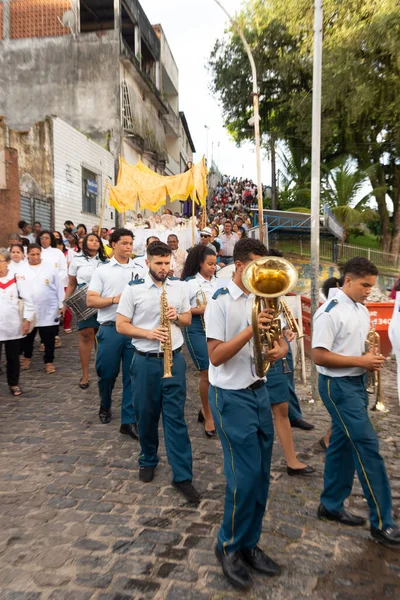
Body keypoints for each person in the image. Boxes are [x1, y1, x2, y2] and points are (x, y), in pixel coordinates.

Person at [205, 238, 282, 590]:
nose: (262, 273)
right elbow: (216, 356)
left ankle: (250, 544)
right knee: (243, 478)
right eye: (256, 266)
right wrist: (252, 328)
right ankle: (228, 546)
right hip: (231, 397)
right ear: (238, 265)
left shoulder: (263, 298)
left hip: (258, 391)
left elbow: (279, 342)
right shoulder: (219, 301)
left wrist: (279, 346)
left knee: (262, 475)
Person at [312, 257, 400, 548]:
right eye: (365, 285)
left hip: (356, 383)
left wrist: (370, 360)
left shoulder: (361, 309)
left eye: (372, 286)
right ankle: (382, 523)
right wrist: (360, 361)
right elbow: (319, 356)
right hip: (337, 386)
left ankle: (331, 504)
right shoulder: (329, 312)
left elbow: (356, 347)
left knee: (342, 443)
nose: (369, 291)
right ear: (347, 281)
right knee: (367, 448)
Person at [116, 242, 200, 503]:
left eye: (167, 263)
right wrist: (148, 333)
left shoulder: (180, 287)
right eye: (159, 263)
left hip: (173, 360)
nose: (164, 268)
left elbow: (187, 319)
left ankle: (183, 475)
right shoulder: (134, 290)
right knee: (146, 414)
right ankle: (148, 458)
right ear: (148, 263)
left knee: (176, 418)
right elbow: (121, 325)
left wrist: (177, 316)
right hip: (144, 361)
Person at [87, 228, 144, 437]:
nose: (128, 247)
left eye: (130, 243)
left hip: (132, 329)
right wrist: (113, 299)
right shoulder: (102, 270)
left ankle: (128, 420)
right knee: (107, 373)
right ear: (113, 244)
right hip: (110, 328)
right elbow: (90, 300)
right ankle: (105, 403)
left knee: (132, 375)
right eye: (124, 243)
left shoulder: (140, 269)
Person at [181, 245, 219, 437]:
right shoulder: (188, 283)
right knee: (207, 371)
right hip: (196, 328)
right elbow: (181, 309)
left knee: (217, 369)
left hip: (217, 328)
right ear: (200, 263)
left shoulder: (219, 283)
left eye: (215, 264)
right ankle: (208, 414)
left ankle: (208, 409)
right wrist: (202, 309)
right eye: (210, 264)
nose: (214, 267)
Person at [65, 233, 108, 388]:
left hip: (102, 299)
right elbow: (71, 283)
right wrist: (65, 303)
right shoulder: (77, 260)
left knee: (101, 336)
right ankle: (84, 374)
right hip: (83, 300)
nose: (94, 242)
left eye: (97, 240)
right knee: (86, 335)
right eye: (91, 240)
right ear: (84, 243)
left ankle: (102, 371)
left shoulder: (107, 261)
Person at [19, 244, 64, 374]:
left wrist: (61, 304)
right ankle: (27, 357)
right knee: (28, 336)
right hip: (29, 308)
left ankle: (49, 361)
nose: (35, 257)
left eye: (38, 254)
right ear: (27, 254)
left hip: (48, 307)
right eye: (32, 254)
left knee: (49, 336)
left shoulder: (50, 268)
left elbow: (59, 286)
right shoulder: (22, 269)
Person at [0, 248, 35, 395]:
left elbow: (28, 301)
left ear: (7, 262)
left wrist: (27, 320)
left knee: (13, 357)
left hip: (13, 326)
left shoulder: (17, 278)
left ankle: (13, 383)